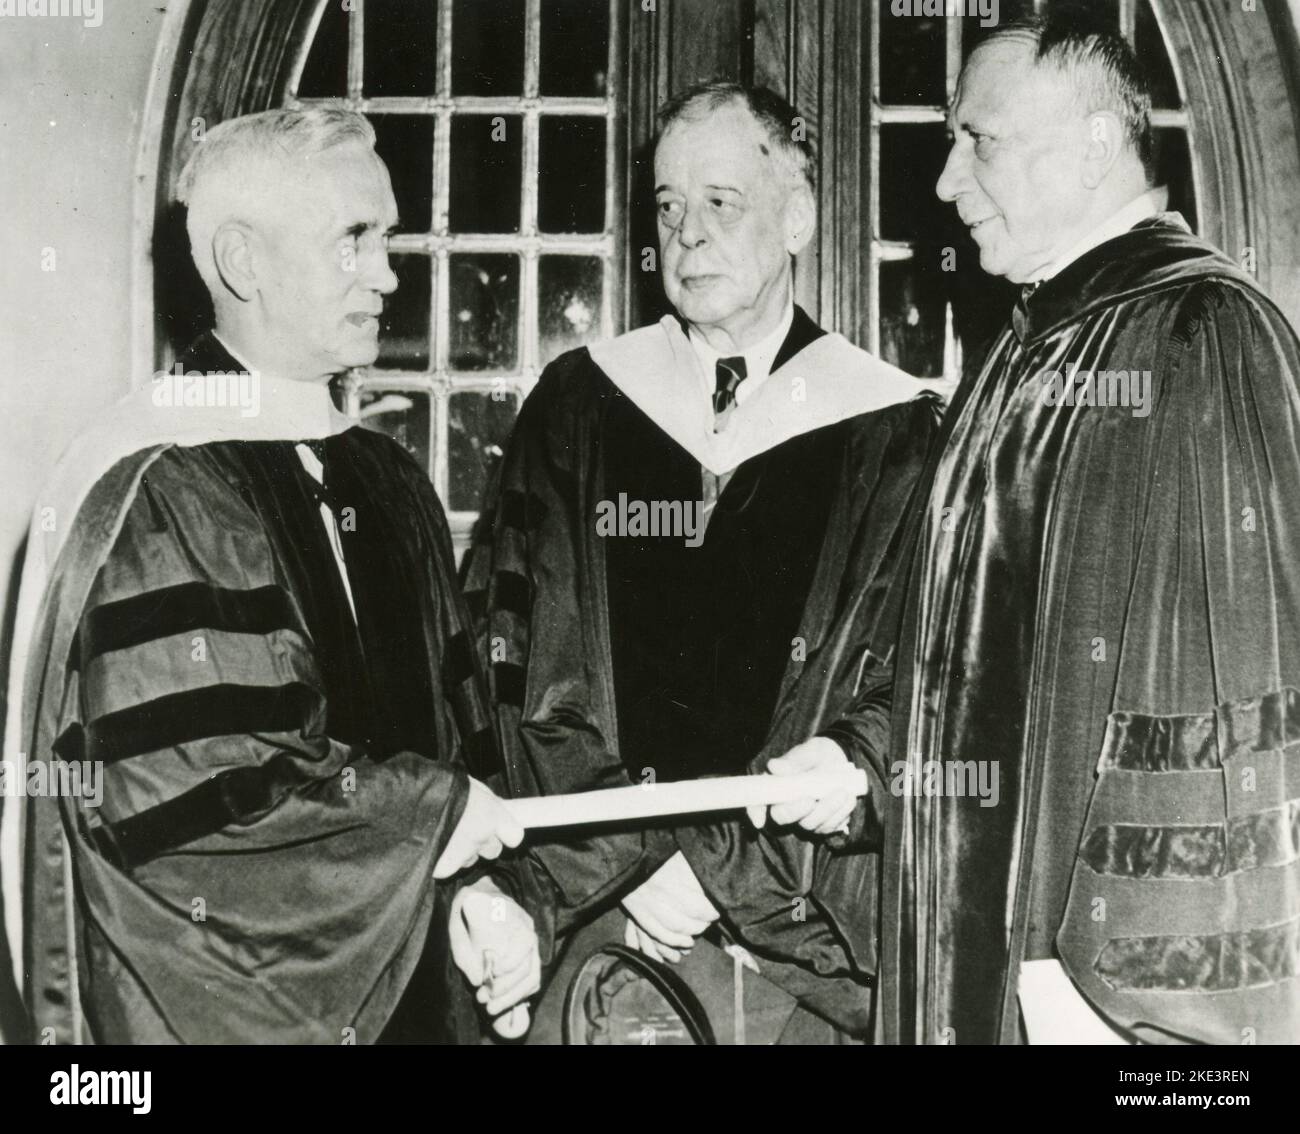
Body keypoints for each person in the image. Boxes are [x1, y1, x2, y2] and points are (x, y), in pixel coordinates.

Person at [0, 108, 539, 1044]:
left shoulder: (390, 483)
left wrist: (477, 894)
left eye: (389, 237)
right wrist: (432, 821)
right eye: (354, 240)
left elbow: (458, 746)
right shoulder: (159, 485)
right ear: (243, 262)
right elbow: (203, 811)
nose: (387, 272)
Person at [464, 80, 941, 1043]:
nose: (685, 237)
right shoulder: (580, 407)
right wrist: (635, 861)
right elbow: (520, 667)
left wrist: (722, 868)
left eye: (720, 203)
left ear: (798, 214)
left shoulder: (892, 428)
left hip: (799, 943)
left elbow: (918, 683)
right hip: (602, 921)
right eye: (668, 208)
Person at [875, 12, 1300, 1044]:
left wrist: (1126, 995)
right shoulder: (1021, 355)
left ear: (1097, 146)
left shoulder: (1199, 333)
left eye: (979, 140)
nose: (944, 183)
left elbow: (1228, 697)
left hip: (1086, 1000)